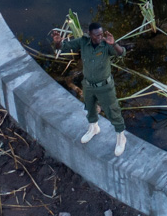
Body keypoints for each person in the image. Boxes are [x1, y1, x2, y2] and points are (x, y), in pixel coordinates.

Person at [49, 22, 128, 156]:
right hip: (88, 85)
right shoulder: (83, 41)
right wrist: (57, 42)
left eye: (101, 34)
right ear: (90, 35)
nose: (99, 37)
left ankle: (121, 137)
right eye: (96, 35)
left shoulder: (106, 45)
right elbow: (62, 46)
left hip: (105, 86)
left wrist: (113, 43)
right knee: (90, 108)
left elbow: (121, 53)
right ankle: (93, 128)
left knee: (112, 111)